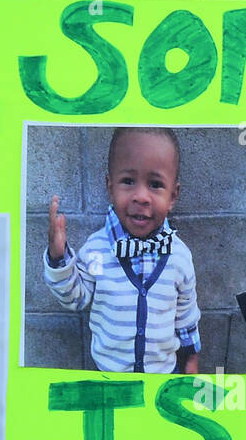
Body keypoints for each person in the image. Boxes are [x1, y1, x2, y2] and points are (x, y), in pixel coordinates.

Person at [43, 127, 200, 374]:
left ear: (173, 196)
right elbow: (76, 298)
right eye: (128, 181)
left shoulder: (179, 256)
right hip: (108, 377)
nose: (141, 197)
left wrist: (191, 358)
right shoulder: (96, 250)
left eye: (156, 184)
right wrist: (58, 257)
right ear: (110, 187)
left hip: (162, 376)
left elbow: (186, 313)